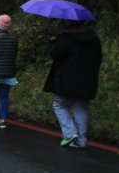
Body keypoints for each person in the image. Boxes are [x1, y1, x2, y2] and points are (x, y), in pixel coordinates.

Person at [43, 20, 102, 148]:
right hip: (87, 80)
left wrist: (52, 42)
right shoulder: (93, 37)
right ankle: (81, 140)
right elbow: (99, 58)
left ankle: (70, 134)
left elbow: (55, 54)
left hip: (67, 79)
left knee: (59, 105)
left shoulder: (66, 37)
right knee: (81, 107)